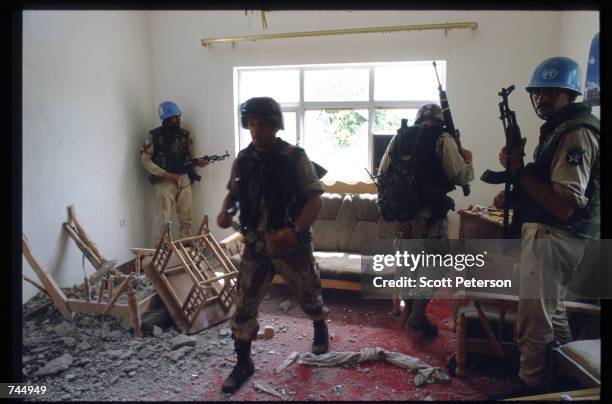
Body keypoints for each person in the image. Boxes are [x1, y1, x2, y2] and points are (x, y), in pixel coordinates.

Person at [492, 56, 600, 397]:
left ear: (570, 94)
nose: (542, 99)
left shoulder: (576, 133)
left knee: (533, 319)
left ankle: (531, 385)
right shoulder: (559, 129)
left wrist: (519, 170)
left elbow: (564, 206)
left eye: (552, 92)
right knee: (552, 315)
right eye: (538, 92)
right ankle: (567, 376)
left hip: (556, 236)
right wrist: (518, 176)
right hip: (553, 236)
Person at [216, 96, 330, 394]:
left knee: (308, 295)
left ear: (275, 125)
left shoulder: (294, 157)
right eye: (252, 124)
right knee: (243, 306)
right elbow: (234, 193)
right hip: (256, 244)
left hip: (292, 245)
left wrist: (294, 230)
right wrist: (227, 210)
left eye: (263, 124)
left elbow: (316, 200)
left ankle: (320, 326)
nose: (256, 131)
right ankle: (243, 363)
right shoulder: (243, 159)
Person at [377, 103, 474, 337]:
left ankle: (409, 314)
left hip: (401, 215)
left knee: (408, 265)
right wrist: (469, 160)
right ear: (440, 120)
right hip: (430, 215)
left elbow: (382, 174)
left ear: (418, 119)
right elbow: (460, 176)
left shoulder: (399, 137)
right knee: (434, 265)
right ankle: (417, 318)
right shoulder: (442, 138)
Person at [140, 101, 208, 239]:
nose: (177, 120)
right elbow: (145, 160)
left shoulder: (185, 135)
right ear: (164, 119)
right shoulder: (152, 136)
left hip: (184, 180)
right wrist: (164, 174)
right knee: (164, 221)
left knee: (186, 219)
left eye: (178, 116)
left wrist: (198, 162)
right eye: (173, 117)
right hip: (164, 181)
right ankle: (162, 252)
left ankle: (186, 250)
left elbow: (191, 157)